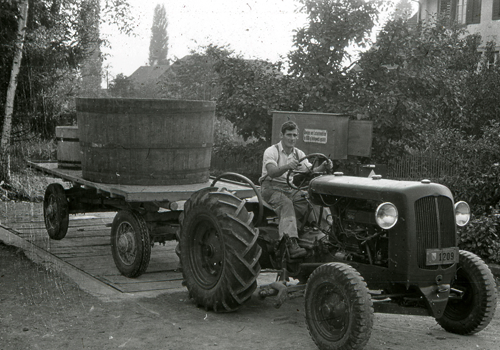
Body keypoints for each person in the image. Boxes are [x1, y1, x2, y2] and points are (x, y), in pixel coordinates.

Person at [259, 121, 332, 258]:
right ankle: (290, 242)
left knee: (311, 200)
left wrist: (323, 167)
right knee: (286, 204)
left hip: (289, 188)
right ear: (281, 135)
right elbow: (272, 172)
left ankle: (326, 233)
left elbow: (310, 171)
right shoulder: (271, 151)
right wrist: (288, 166)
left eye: (294, 135)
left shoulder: (298, 154)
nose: (292, 138)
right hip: (270, 188)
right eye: (289, 135)